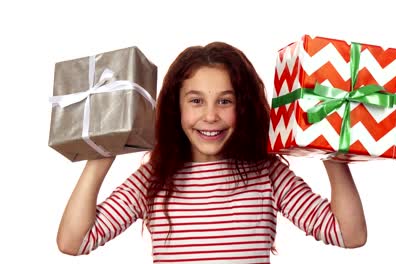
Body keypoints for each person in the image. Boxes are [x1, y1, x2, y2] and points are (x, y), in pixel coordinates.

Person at [56, 41, 367, 263]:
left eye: (225, 101)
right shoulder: (153, 177)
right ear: (174, 108)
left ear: (243, 107)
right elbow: (73, 242)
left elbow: (349, 235)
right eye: (195, 101)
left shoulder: (267, 172)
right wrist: (101, 152)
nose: (210, 116)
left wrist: (332, 150)